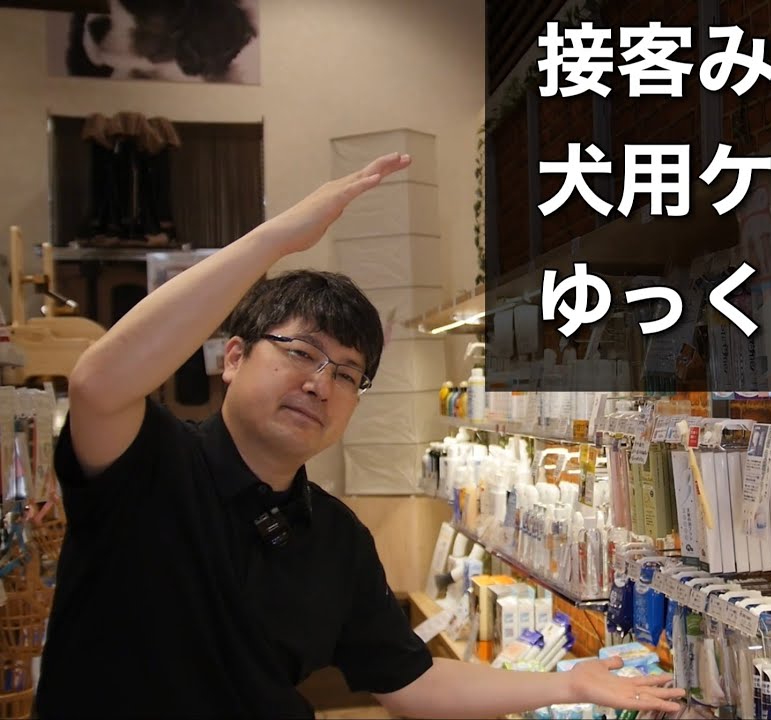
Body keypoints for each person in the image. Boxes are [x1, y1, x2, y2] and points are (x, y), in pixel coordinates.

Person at [35, 153, 686, 719]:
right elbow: (97, 383)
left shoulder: (335, 538)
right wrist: (272, 241)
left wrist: (566, 683)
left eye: (347, 374)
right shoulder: (148, 463)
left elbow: (410, 681)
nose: (320, 384)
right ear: (233, 356)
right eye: (300, 353)